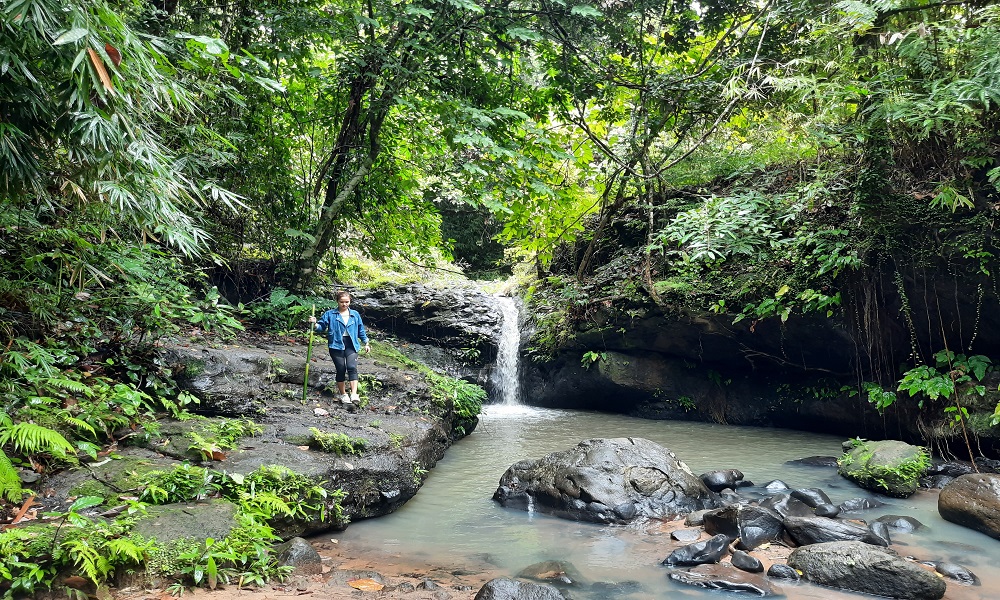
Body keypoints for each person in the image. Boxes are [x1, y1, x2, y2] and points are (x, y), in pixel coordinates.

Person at [309, 291, 370, 404]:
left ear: (350, 301)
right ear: (337, 302)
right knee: (341, 369)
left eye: (347, 302)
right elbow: (321, 327)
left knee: (352, 367)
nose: (344, 304)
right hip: (336, 344)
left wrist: (366, 342)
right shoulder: (330, 314)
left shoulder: (355, 314)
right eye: (342, 302)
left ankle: (354, 394)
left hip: (351, 344)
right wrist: (315, 323)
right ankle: (343, 394)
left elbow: (360, 330)